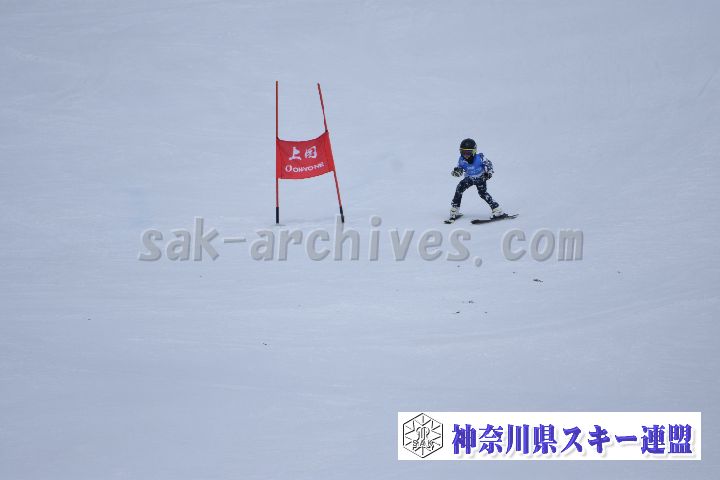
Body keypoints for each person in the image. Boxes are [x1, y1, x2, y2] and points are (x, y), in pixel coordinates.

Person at [449, 138, 503, 220]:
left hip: (480, 178)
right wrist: (457, 172)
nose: (466, 155)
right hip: (469, 178)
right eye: (463, 152)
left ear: (474, 151)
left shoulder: (480, 158)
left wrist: (488, 173)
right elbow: (460, 168)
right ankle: (455, 210)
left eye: (468, 152)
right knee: (459, 188)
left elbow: (488, 165)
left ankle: (497, 210)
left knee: (482, 193)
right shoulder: (461, 159)